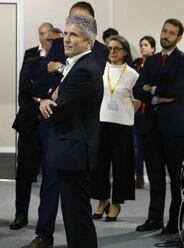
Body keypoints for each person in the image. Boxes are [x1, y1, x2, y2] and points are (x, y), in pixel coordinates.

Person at [22, 2, 105, 248]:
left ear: (88, 42)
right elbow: (56, 96)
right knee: (74, 218)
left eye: (73, 35)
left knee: (77, 219)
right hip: (70, 149)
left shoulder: (84, 69)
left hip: (74, 151)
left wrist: (47, 102)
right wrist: (50, 98)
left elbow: (57, 111)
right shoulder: (78, 65)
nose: (66, 40)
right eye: (66, 34)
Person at [133, 18, 184, 234]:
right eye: (164, 31)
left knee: (176, 178)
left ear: (179, 37)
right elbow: (137, 90)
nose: (166, 35)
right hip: (151, 127)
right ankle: (154, 218)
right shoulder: (150, 61)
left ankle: (175, 221)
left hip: (174, 129)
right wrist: (157, 96)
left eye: (171, 33)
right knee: (155, 177)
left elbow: (176, 91)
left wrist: (153, 89)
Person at [10, 27, 62, 231]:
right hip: (29, 124)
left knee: (49, 176)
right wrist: (46, 95)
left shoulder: (63, 66)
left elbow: (62, 91)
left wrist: (40, 93)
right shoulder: (31, 59)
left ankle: (44, 221)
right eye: (51, 40)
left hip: (52, 126)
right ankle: (20, 214)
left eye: (58, 41)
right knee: (23, 172)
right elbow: (24, 88)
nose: (54, 44)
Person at [90, 35, 138, 222]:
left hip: (122, 125)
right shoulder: (100, 69)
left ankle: (116, 203)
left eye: (116, 48)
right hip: (100, 122)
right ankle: (103, 200)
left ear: (125, 51)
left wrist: (124, 113)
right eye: (109, 48)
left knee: (121, 166)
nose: (112, 52)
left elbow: (137, 101)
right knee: (99, 166)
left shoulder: (132, 74)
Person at [132, 35, 156, 188]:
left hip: (152, 110)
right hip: (136, 109)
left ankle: (153, 176)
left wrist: (146, 89)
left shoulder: (158, 64)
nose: (143, 47)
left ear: (153, 48)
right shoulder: (136, 64)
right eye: (141, 45)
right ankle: (138, 176)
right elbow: (136, 87)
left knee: (151, 146)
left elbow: (154, 87)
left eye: (146, 45)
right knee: (136, 145)